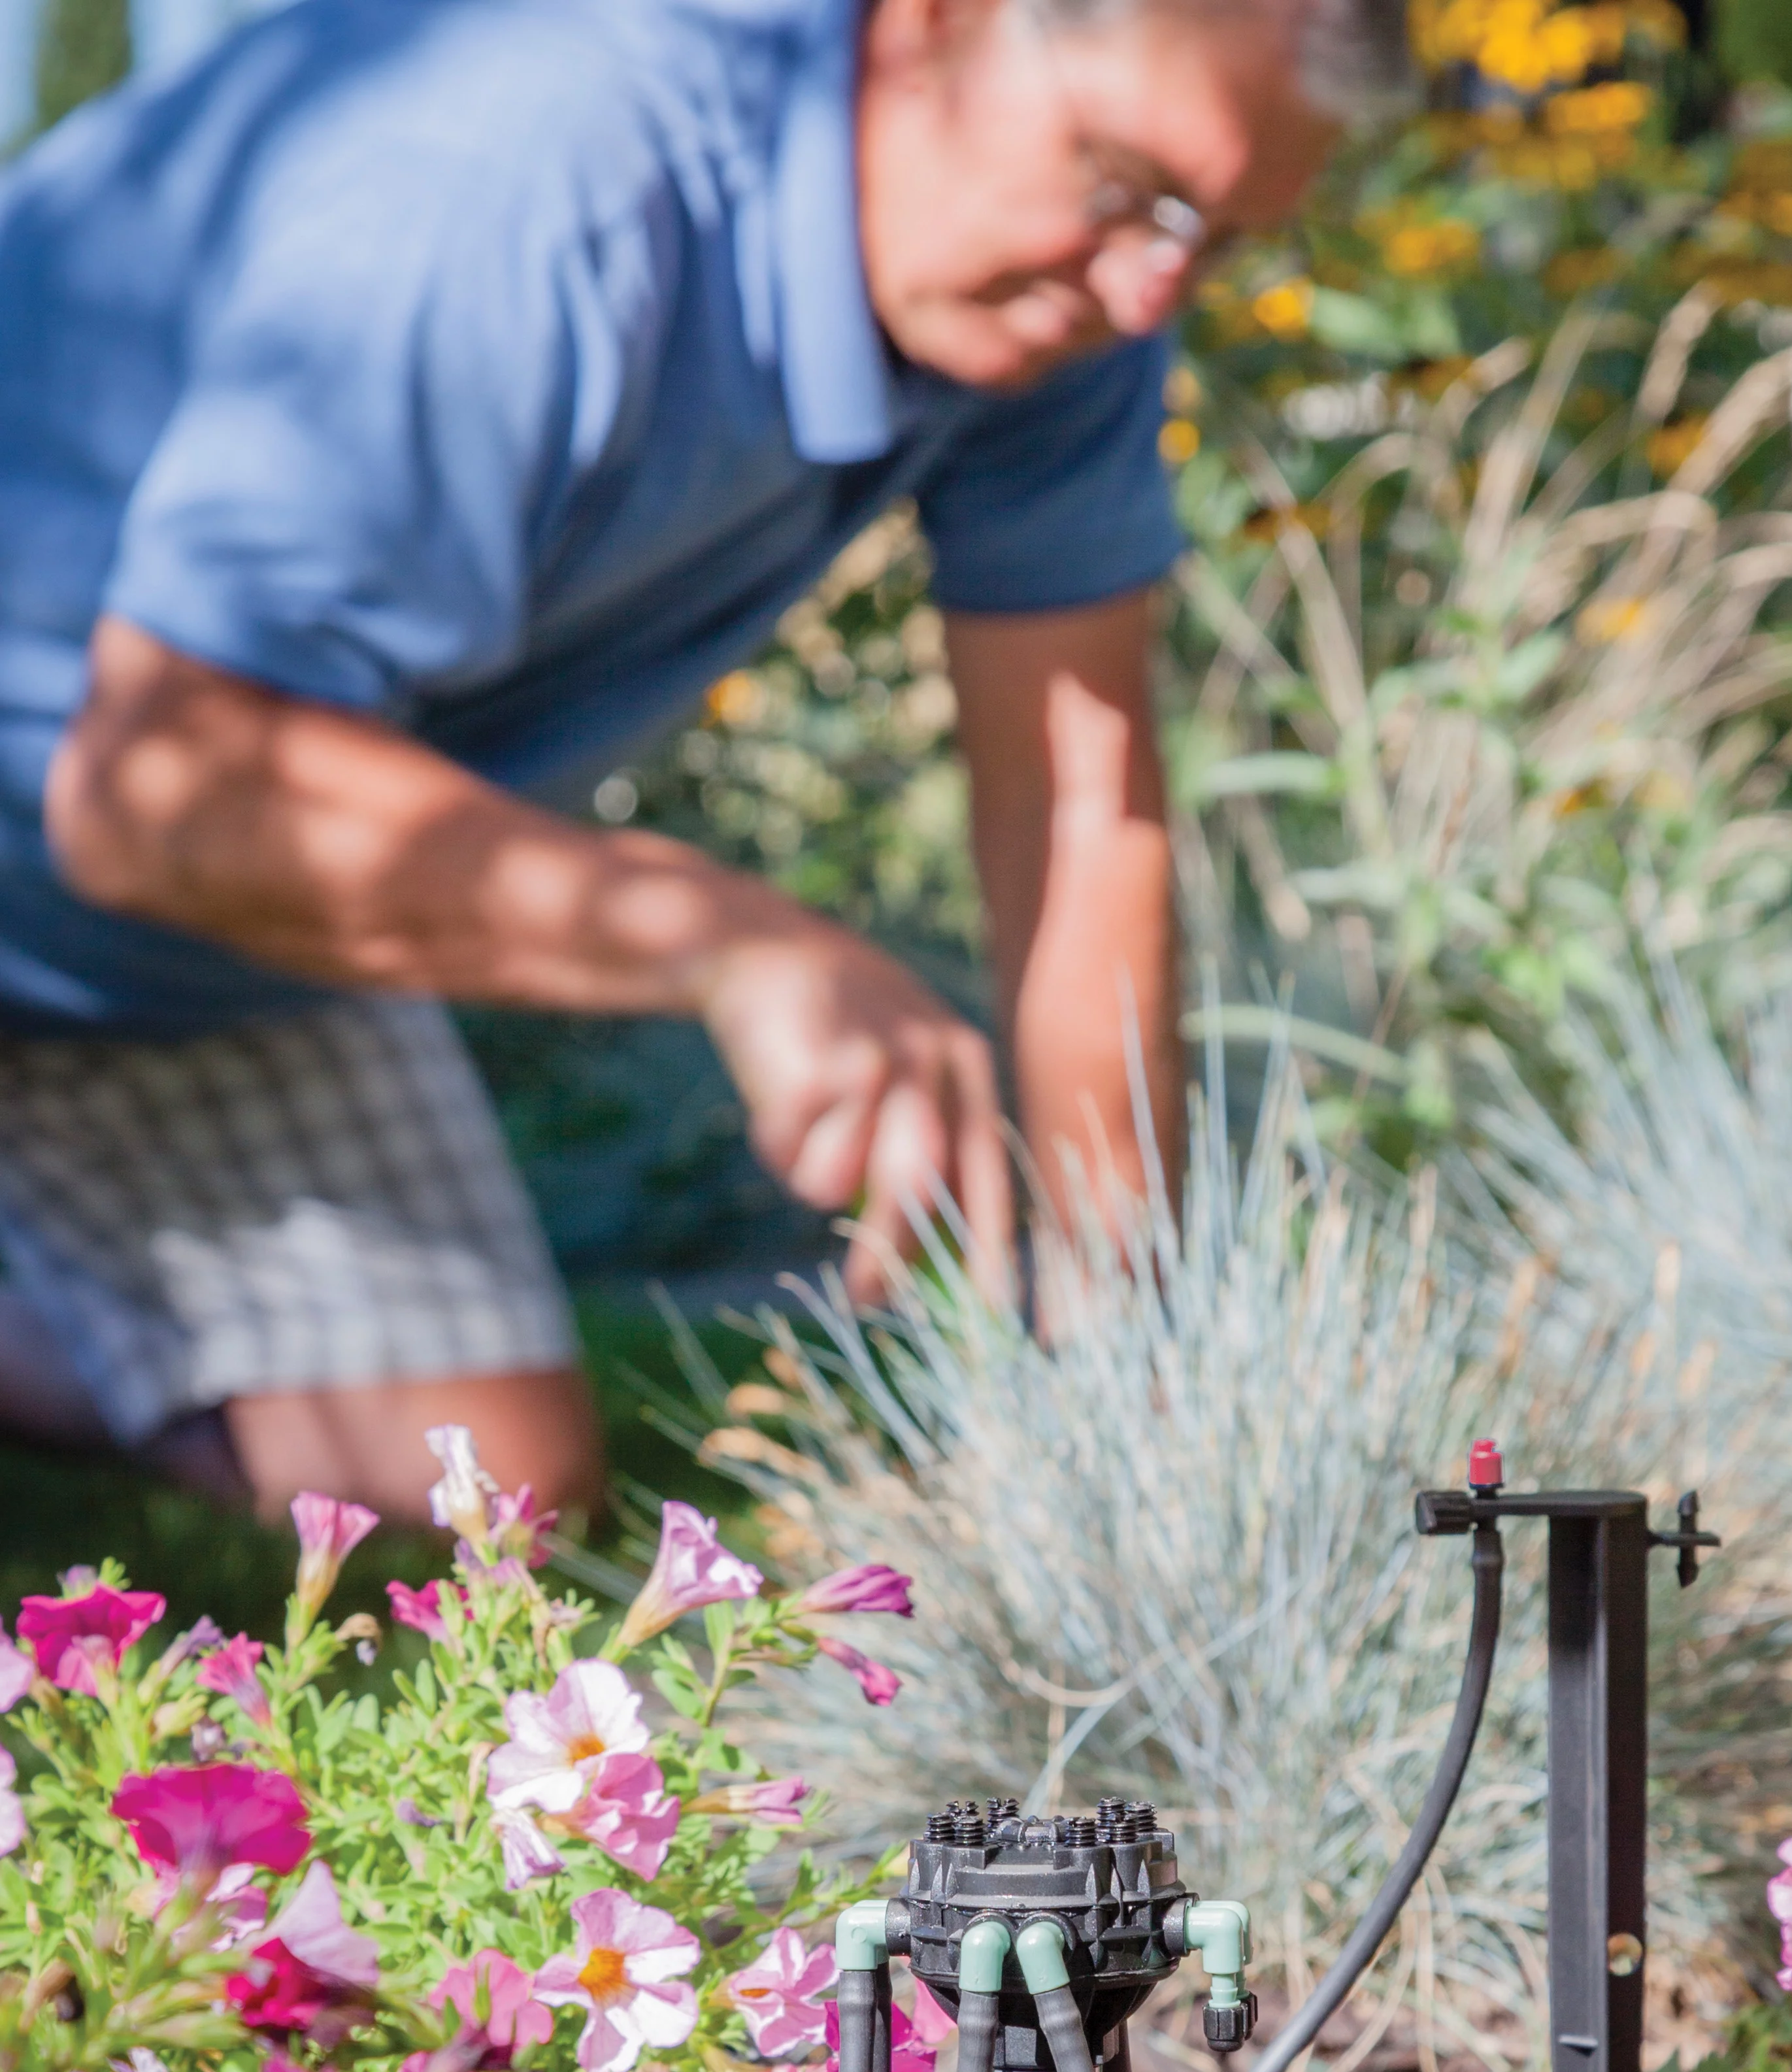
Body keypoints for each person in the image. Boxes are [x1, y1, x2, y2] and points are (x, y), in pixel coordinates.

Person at [0, 0, 1407, 1522]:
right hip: (143, 829)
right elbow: (162, 797)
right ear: (934, 29)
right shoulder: (532, 183)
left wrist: (1134, 1361)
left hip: (172, 949)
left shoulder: (1072, 308)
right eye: (1127, 184)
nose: (1150, 294)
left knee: (490, 1499)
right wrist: (725, 943)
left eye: (1219, 238)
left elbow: (1078, 807)